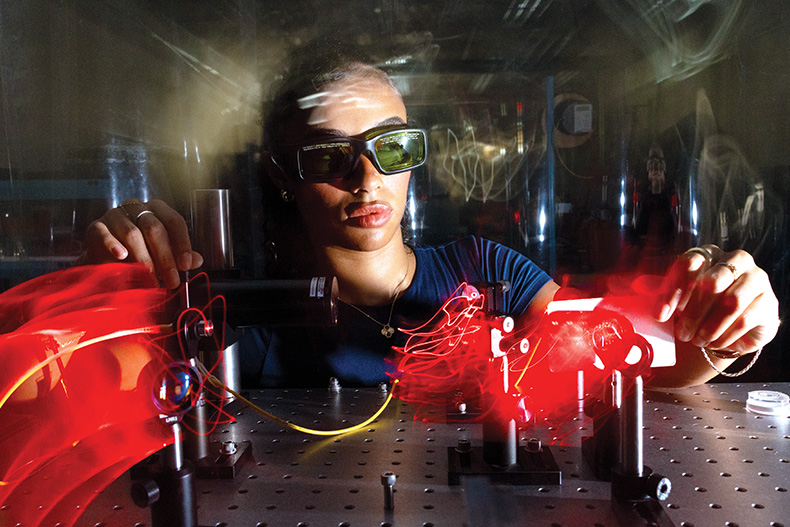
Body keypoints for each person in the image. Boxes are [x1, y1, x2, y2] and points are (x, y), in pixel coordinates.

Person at [78, 42, 780, 390]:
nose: (367, 176)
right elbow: (106, 383)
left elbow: (634, 359)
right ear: (282, 174)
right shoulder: (243, 317)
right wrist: (107, 291)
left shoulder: (487, 271)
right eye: (329, 155)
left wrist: (725, 328)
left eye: (392, 146)